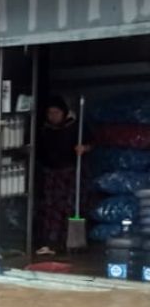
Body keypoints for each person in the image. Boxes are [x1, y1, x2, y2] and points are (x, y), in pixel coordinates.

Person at [35, 96, 92, 254]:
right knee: (49, 206)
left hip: (70, 172)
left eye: (56, 112)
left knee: (68, 205)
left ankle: (68, 241)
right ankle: (49, 241)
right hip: (50, 172)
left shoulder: (75, 126)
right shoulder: (44, 128)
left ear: (64, 113)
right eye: (49, 112)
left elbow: (92, 143)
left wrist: (84, 148)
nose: (52, 116)